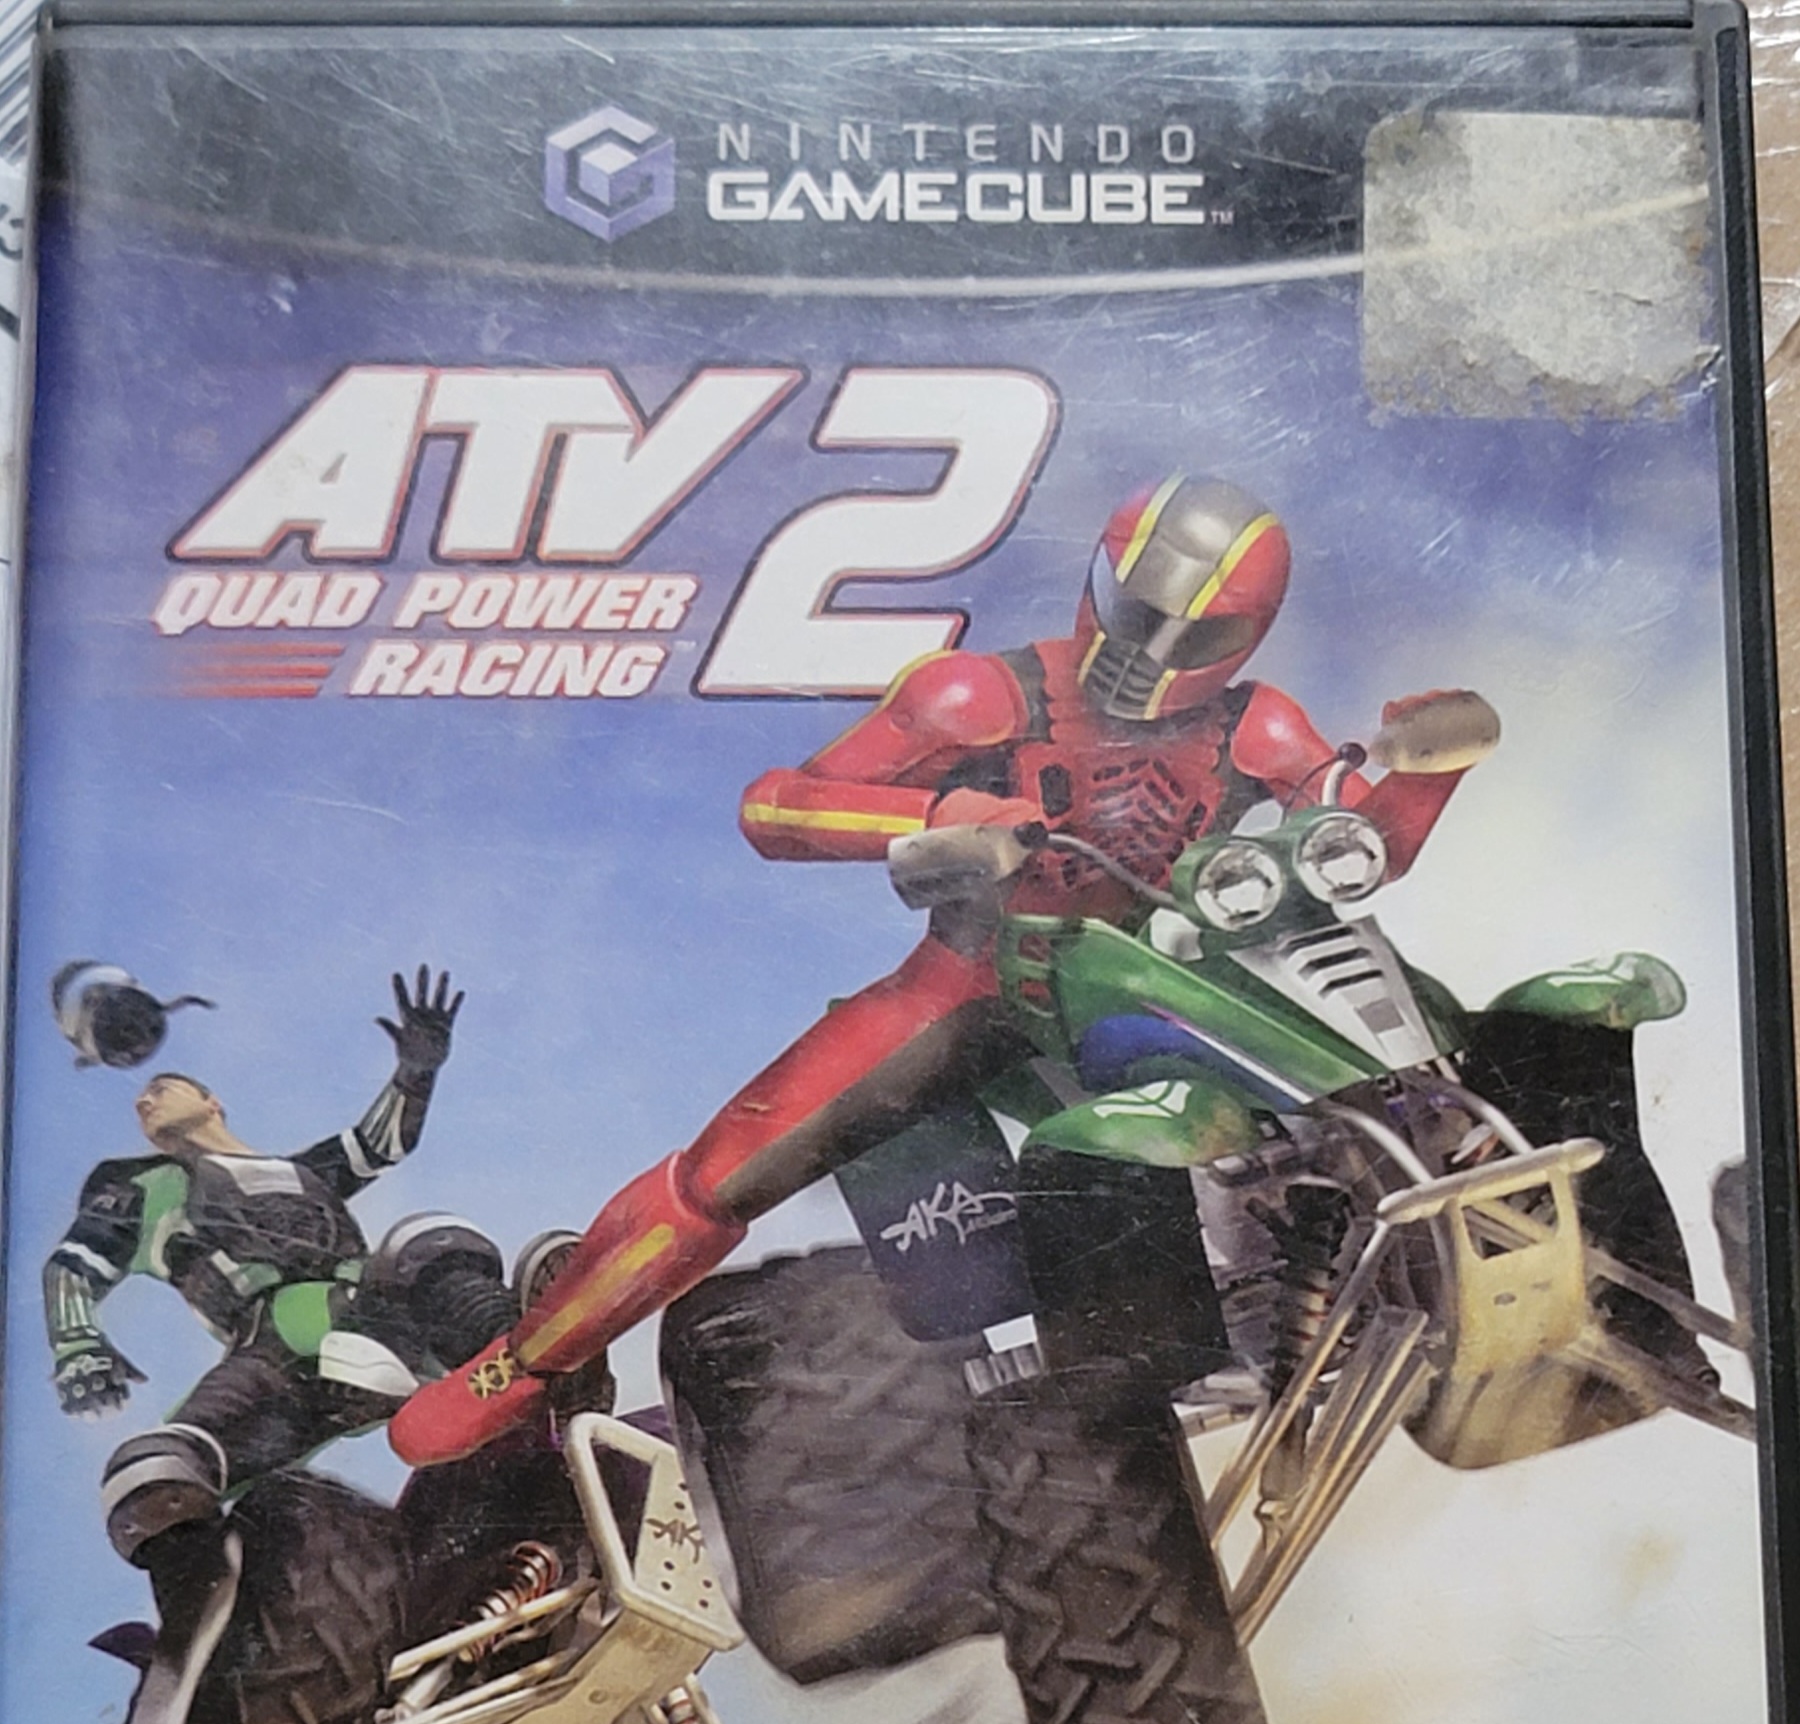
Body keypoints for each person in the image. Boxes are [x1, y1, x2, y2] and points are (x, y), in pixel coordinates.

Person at [392, 474, 1499, 1468]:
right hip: (979, 983)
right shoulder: (980, 698)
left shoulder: (1256, 727)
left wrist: (1424, 776)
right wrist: (944, 813)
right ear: (1099, 582)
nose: (1148, 652)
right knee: (724, 1172)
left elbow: (1349, 842)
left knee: (1362, 1065)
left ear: (1245, 635)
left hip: (1163, 977)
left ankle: (1399, 1249)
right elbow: (777, 806)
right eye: (1133, 614)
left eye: (1190, 633)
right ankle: (523, 1363)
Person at [45, 967, 513, 1570]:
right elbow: (74, 1264)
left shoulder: (305, 1175)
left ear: (212, 1102)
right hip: (270, 1359)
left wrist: (417, 1071)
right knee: (154, 1472)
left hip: (371, 1317)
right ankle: (213, 1597)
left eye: (161, 1087)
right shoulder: (147, 1188)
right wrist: (78, 1344)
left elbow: (378, 1145)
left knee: (429, 1245)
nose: (144, 1100)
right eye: (143, 1100)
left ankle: (516, 1345)